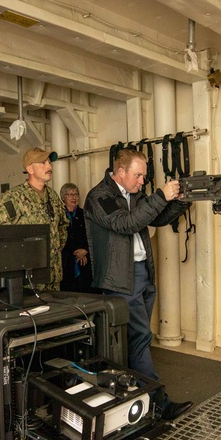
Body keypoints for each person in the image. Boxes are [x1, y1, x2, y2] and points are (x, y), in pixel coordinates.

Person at [84, 148, 192, 421]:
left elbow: (156, 217)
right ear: (120, 172)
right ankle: (158, 403)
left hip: (142, 273)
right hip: (120, 279)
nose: (142, 181)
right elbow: (126, 224)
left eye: (144, 176)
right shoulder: (100, 197)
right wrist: (160, 196)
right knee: (141, 339)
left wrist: (180, 201)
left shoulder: (134, 196)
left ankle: (136, 398)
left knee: (136, 342)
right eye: (138, 175)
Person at [0, 147, 68, 290]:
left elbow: (62, 226)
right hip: (27, 280)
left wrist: (54, 248)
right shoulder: (15, 198)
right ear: (30, 169)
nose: (49, 166)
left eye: (49, 162)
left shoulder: (52, 196)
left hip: (53, 276)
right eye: (43, 163)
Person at [58, 182, 96, 293]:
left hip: (84, 260)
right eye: (70, 194)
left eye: (76, 194)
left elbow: (92, 235)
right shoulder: (59, 215)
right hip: (66, 260)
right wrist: (75, 251)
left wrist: (85, 250)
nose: (74, 197)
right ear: (63, 197)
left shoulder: (84, 214)